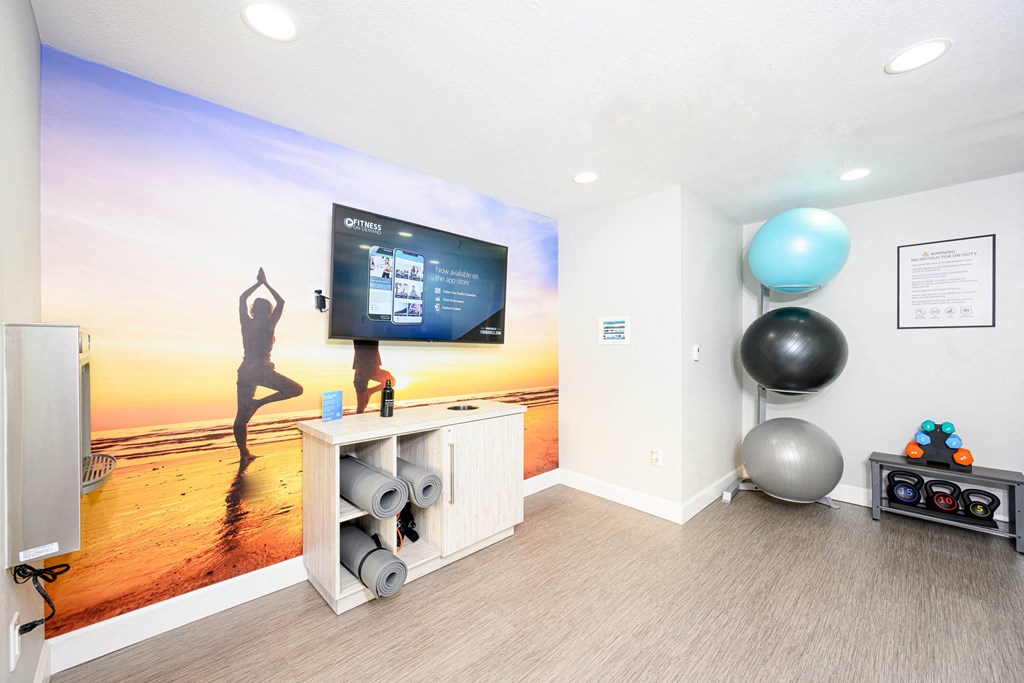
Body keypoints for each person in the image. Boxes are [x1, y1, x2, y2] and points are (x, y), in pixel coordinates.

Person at [233, 267, 303, 469]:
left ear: (253, 310)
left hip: (245, 371)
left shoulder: (246, 323)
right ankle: (260, 404)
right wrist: (265, 283)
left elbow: (241, 299)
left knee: (241, 416)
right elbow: (281, 302)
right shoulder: (269, 324)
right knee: (296, 390)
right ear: (269, 311)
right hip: (262, 371)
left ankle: (244, 454)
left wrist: (257, 283)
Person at [352, 340, 395, 414]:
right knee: (361, 407)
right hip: (366, 370)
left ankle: (370, 392)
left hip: (364, 370)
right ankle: (370, 392)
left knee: (360, 407)